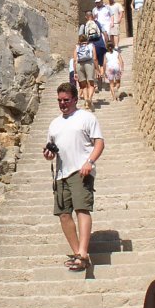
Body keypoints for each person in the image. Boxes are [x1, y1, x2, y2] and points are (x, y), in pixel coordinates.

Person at [43, 82, 104, 272]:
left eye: (66, 100)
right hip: (61, 174)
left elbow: (99, 143)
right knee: (63, 214)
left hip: (80, 170)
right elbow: (51, 150)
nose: (62, 104)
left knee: (82, 209)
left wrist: (89, 162)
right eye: (60, 100)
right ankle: (78, 253)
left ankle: (83, 254)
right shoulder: (54, 124)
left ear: (75, 99)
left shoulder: (86, 118)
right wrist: (49, 155)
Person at [74, 34, 98, 110]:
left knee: (83, 85)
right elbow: (94, 58)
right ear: (87, 39)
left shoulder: (77, 47)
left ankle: (86, 101)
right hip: (89, 63)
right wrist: (97, 69)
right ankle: (89, 98)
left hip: (79, 65)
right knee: (91, 83)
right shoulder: (91, 46)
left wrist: (75, 72)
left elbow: (75, 60)